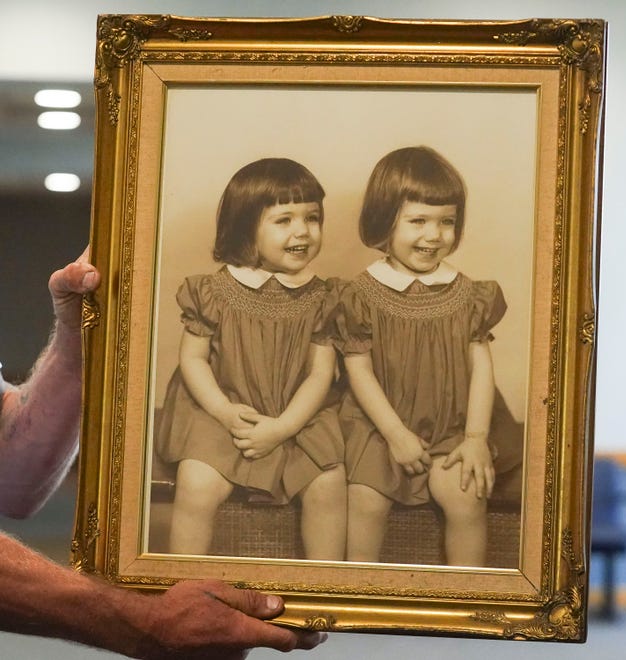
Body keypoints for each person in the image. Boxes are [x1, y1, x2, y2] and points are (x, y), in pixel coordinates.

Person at [0, 249, 326, 658]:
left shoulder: (322, 298)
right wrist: (143, 619)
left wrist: (79, 334)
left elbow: (13, 479)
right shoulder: (212, 293)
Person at [156, 158, 346, 560]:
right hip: (221, 406)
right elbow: (193, 360)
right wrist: (224, 412)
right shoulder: (214, 290)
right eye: (284, 220)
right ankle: (185, 585)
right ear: (246, 226)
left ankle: (323, 590)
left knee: (329, 483)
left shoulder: (324, 297)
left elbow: (320, 374)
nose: (303, 231)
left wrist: (283, 427)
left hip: (296, 411)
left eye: (312, 218)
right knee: (197, 484)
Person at [337, 146, 507, 566]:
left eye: (446, 222)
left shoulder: (470, 294)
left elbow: (482, 368)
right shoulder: (360, 294)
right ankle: (360, 596)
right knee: (366, 500)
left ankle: (468, 603)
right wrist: (396, 435)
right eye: (418, 222)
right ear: (384, 220)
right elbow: (358, 371)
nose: (434, 236)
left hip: (451, 427)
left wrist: (475, 439)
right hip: (379, 426)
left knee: (466, 496)